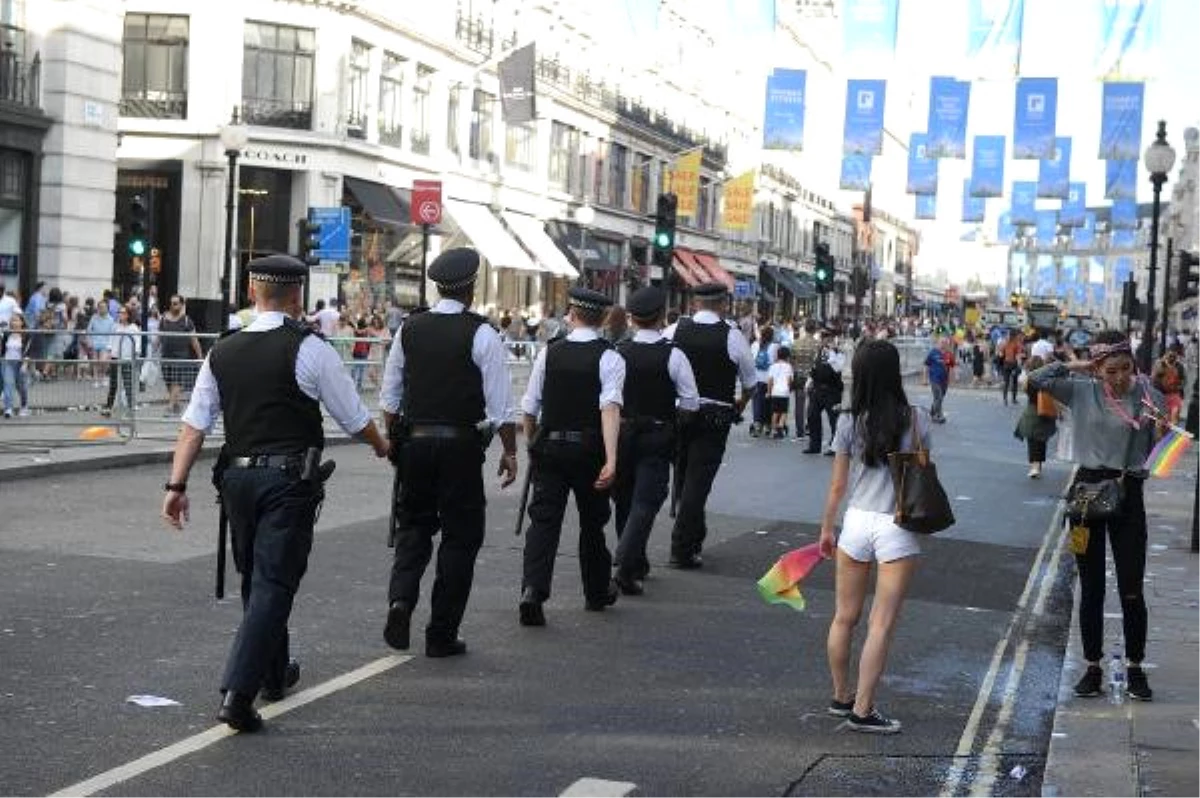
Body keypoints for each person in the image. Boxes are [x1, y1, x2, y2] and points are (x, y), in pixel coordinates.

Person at [160, 254, 390, 733]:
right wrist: (382, 446)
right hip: (287, 482)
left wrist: (176, 485)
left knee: (257, 578)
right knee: (272, 582)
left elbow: (194, 425)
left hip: (237, 481)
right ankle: (237, 694)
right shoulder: (310, 349)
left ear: (251, 293)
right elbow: (352, 416)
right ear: (297, 297)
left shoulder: (221, 351)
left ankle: (272, 673)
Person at [379, 248, 519, 657]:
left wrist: (394, 444)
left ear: (437, 287)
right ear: (471, 289)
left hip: (415, 443)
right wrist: (510, 451)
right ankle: (441, 632)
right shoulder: (482, 333)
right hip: (460, 448)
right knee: (460, 538)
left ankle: (401, 600)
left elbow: (390, 396)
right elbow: (500, 406)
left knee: (413, 528)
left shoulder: (410, 328)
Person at [1028, 330, 1164, 702]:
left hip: (1128, 494)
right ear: (1098, 369)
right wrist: (1077, 364)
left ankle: (1135, 668)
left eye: (1125, 369)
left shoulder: (1147, 394)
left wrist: (1162, 423)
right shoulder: (1080, 390)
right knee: (1090, 587)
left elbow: (1163, 438)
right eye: (1110, 371)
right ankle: (1092, 667)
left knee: (1131, 587)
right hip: (1085, 498)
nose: (1119, 378)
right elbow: (1035, 378)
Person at [819, 340, 930, 734]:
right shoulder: (915, 418)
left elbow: (837, 486)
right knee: (880, 624)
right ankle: (863, 710)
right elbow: (921, 473)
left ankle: (841, 695)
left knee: (844, 617)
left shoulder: (849, 420)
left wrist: (827, 529)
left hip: (856, 522)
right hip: (895, 524)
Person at [518, 287, 625, 626]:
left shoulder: (550, 353)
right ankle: (595, 591)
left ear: (572, 315)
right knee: (593, 523)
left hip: (550, 447)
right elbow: (609, 408)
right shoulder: (610, 357)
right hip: (589, 450)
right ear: (603, 318)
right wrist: (612, 457)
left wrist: (532, 443)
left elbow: (529, 406)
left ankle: (533, 590)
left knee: (544, 521)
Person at [610, 286, 699, 596]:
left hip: (622, 432)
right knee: (646, 500)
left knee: (624, 498)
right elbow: (690, 402)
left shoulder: (618, 352)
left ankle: (635, 561)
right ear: (662, 316)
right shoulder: (673, 355)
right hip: (657, 433)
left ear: (632, 318)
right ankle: (625, 563)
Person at [663, 282, 756, 568]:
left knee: (682, 475)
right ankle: (681, 547)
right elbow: (750, 381)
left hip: (679, 413)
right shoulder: (732, 336)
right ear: (723, 304)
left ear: (695, 303)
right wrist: (740, 403)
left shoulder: (674, 330)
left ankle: (694, 534)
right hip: (714, 415)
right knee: (698, 480)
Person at [1013, 356, 1057, 479]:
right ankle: (1038, 465)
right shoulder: (1047, 379)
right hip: (1047, 412)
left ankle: (1035, 466)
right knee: (1041, 441)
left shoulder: (1029, 380)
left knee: (1032, 441)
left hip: (1032, 411)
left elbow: (1024, 389)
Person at [159, 295, 203, 415]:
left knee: (177, 382)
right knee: (169, 382)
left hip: (181, 357)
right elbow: (158, 336)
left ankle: (169, 407)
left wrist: (200, 358)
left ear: (181, 305)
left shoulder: (187, 321)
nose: (173, 306)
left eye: (176, 303)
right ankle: (176, 404)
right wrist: (153, 351)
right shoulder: (163, 319)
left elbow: (194, 340)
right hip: (166, 356)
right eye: (172, 303)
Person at [803, 331, 844, 455]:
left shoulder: (838, 353)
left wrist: (832, 353)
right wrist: (808, 382)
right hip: (817, 388)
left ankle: (834, 446)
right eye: (823, 339)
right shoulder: (819, 352)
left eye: (828, 339)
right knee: (812, 416)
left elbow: (839, 368)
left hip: (832, 390)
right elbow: (814, 368)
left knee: (833, 419)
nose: (825, 341)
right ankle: (814, 445)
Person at [101, 305, 140, 417]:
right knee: (113, 384)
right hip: (115, 357)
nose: (120, 315)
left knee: (128, 384)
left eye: (123, 313)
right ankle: (108, 407)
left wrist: (134, 356)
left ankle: (131, 409)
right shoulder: (116, 327)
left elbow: (137, 344)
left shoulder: (133, 328)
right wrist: (108, 353)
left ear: (128, 315)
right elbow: (111, 340)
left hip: (127, 359)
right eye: (119, 312)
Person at [1151, 347, 1186, 424]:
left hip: (1174, 395)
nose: (1172, 358)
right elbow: (1154, 380)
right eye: (1170, 356)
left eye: (1174, 356)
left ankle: (1171, 432)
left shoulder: (1179, 366)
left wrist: (1178, 387)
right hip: (1161, 396)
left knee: (1174, 419)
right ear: (1166, 355)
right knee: (1162, 422)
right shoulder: (1159, 364)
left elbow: (1183, 380)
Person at [766, 345, 793, 439]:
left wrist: (768, 392)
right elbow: (789, 380)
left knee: (775, 412)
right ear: (788, 356)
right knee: (784, 411)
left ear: (777, 355)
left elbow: (770, 381)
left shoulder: (772, 366)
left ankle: (773, 430)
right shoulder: (789, 367)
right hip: (784, 392)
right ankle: (780, 426)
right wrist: (789, 389)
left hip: (775, 392)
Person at [923, 337, 951, 424]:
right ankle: (938, 415)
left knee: (939, 398)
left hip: (944, 380)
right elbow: (926, 365)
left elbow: (951, 367)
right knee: (938, 397)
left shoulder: (949, 354)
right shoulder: (933, 352)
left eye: (945, 342)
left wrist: (952, 379)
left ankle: (932, 412)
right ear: (938, 343)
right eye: (942, 342)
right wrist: (924, 379)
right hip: (934, 379)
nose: (943, 344)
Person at [1001, 330, 1024, 406]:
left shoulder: (1005, 343)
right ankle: (1013, 399)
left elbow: (1001, 354)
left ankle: (1005, 399)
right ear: (1015, 336)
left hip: (1006, 364)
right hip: (1014, 364)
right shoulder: (1017, 344)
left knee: (1006, 382)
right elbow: (1018, 357)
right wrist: (1020, 366)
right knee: (1014, 382)